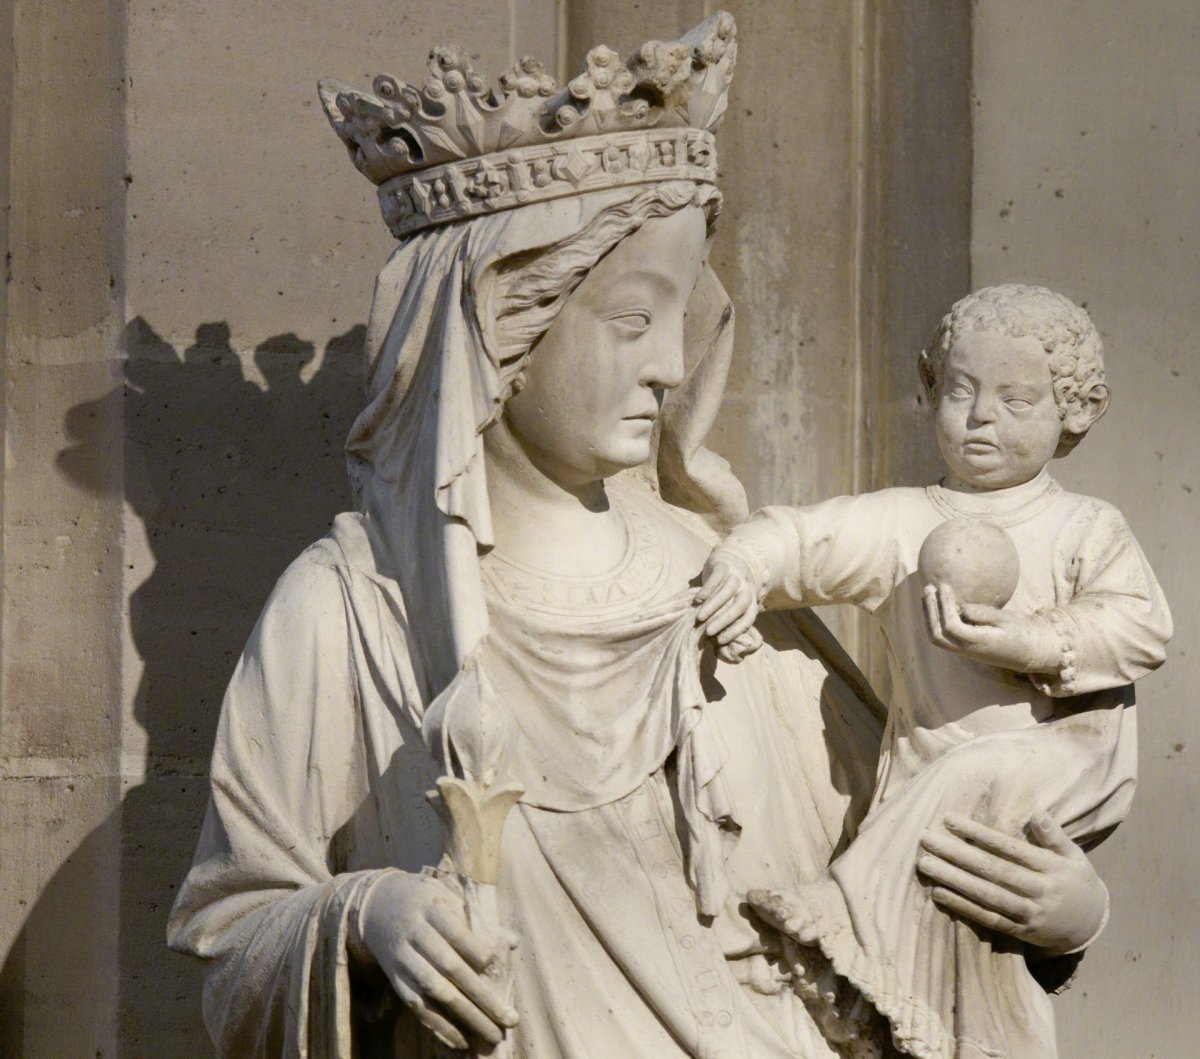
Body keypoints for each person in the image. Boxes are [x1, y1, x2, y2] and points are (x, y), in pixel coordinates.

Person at [167, 19, 1116, 1059]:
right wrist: (366, 918)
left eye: (683, 321)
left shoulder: (722, 579)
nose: (670, 364)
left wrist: (1060, 913)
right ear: (498, 334)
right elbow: (233, 937)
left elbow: (884, 866)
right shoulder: (352, 608)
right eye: (630, 322)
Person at [697, 284, 1171, 1057]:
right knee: (965, 962)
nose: (982, 416)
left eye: (1018, 399)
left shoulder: (1086, 527)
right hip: (925, 794)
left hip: (1065, 760)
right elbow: (801, 538)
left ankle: (843, 915)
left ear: (1077, 410)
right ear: (928, 387)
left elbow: (1140, 628)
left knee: (976, 781)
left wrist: (1025, 640)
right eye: (961, 391)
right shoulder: (904, 523)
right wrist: (742, 567)